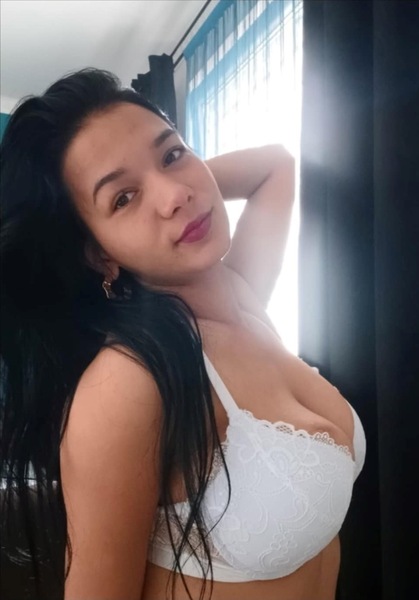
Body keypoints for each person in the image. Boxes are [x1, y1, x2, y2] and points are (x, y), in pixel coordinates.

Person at [0, 68, 366, 600]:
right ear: (99, 254)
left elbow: (276, 164)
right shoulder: (127, 381)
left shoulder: (241, 295)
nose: (175, 194)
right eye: (122, 198)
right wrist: (168, 185)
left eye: (173, 154)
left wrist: (169, 189)